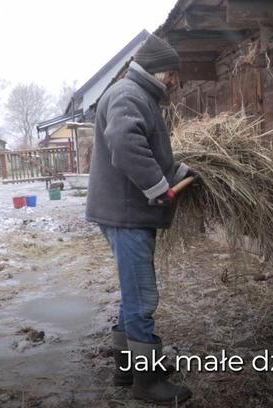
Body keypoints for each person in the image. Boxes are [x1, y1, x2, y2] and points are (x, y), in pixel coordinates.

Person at [86, 33, 194, 404]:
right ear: (158, 70)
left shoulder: (135, 94)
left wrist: (175, 172)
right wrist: (158, 187)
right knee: (142, 297)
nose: (175, 81)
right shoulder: (130, 94)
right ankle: (147, 384)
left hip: (125, 210)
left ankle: (127, 365)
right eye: (173, 73)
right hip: (127, 213)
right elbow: (126, 142)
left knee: (132, 292)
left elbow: (144, 146)